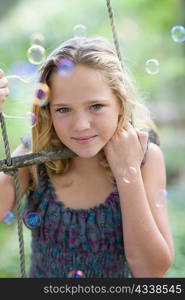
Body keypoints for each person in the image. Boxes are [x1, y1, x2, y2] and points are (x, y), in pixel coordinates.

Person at [0, 36, 174, 278]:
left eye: (96, 106)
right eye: (63, 109)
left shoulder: (145, 158)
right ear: (48, 112)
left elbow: (150, 272)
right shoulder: (35, 159)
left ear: (120, 104)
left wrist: (127, 172)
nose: (81, 125)